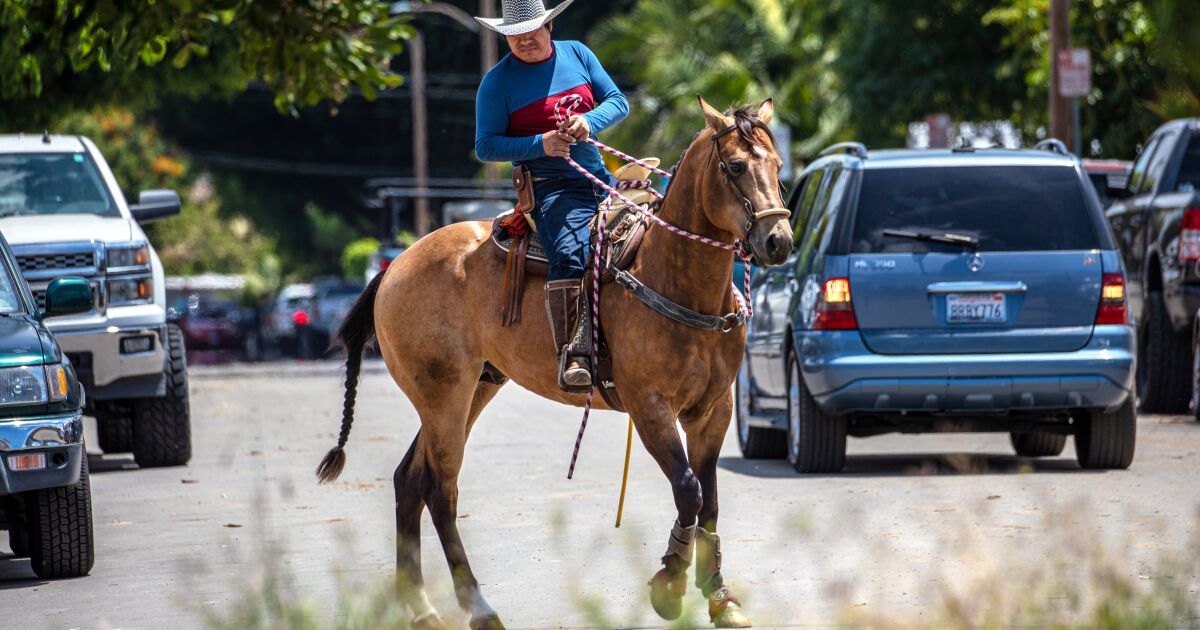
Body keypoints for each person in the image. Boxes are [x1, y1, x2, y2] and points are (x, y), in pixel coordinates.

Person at [474, 0, 629, 392]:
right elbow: (486, 146)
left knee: (652, 236)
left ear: (550, 25)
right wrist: (539, 144)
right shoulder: (497, 82)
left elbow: (618, 102)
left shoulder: (578, 53)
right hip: (550, 188)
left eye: (531, 31)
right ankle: (574, 353)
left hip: (599, 178)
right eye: (514, 35)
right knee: (570, 251)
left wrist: (588, 122)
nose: (524, 40)